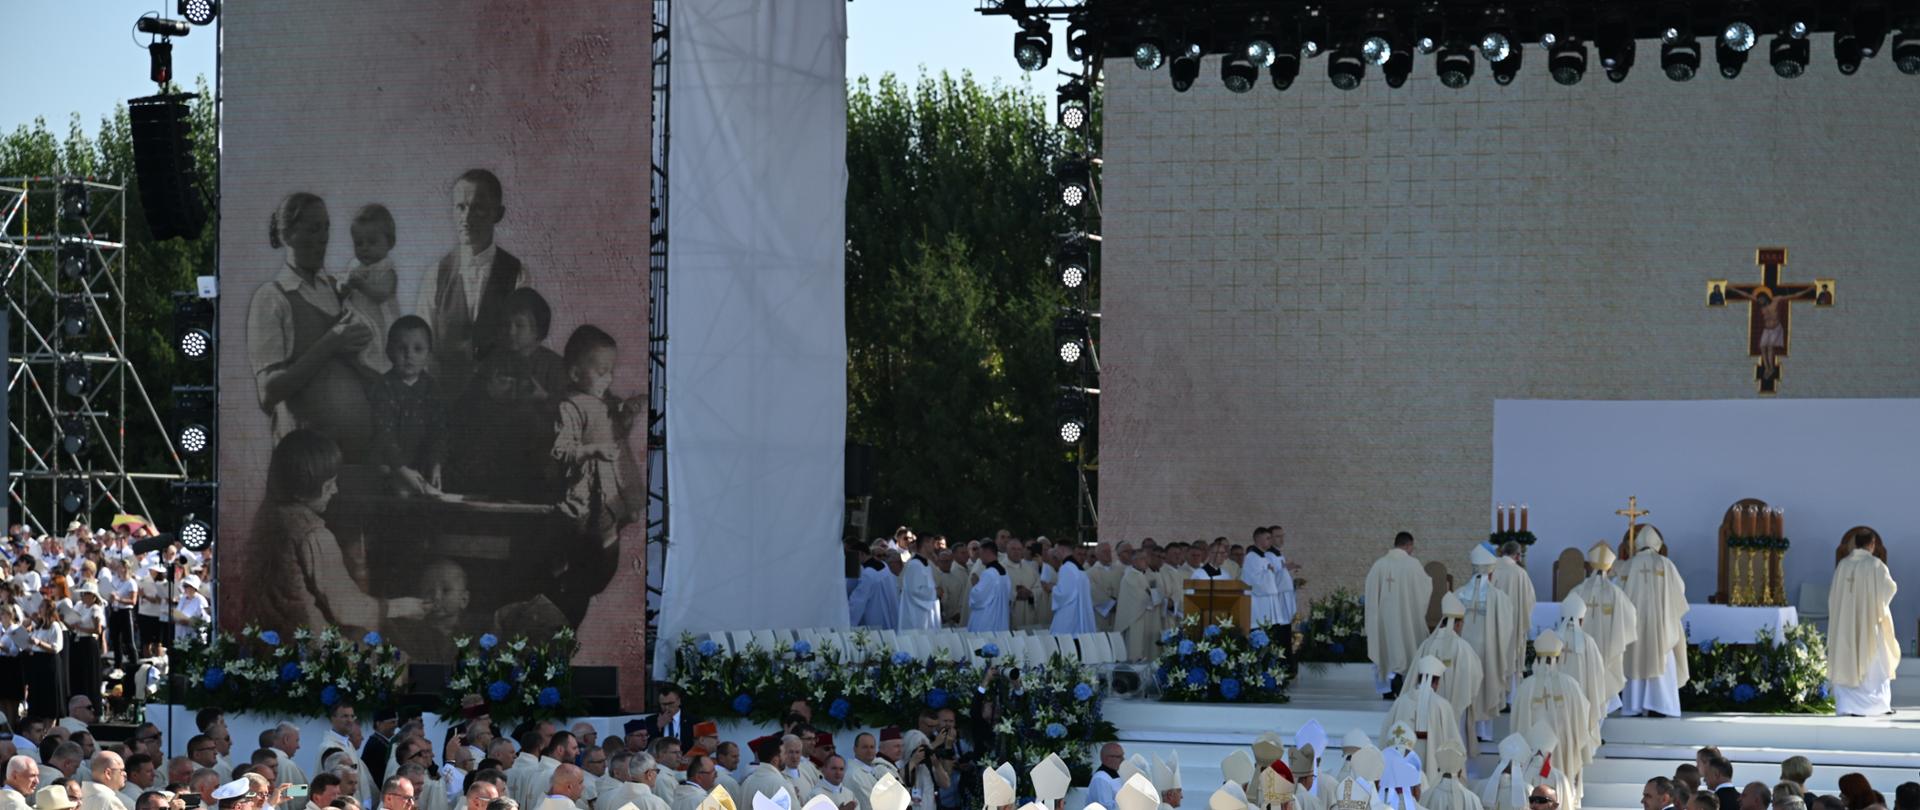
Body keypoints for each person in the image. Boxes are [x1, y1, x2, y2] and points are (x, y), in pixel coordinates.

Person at [240, 429, 428, 633]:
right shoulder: (313, 534)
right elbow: (345, 607)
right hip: (305, 641)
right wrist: (400, 607)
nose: (335, 490)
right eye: (329, 485)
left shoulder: (267, 515)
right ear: (303, 492)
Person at [248, 191, 377, 460]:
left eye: (326, 228)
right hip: (308, 463)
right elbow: (268, 392)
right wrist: (331, 342)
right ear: (287, 235)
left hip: (358, 459)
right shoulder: (272, 297)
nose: (323, 237)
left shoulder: (337, 289)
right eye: (313, 229)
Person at [415, 169, 534, 390]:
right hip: (445, 396)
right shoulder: (435, 275)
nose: (467, 218)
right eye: (460, 207)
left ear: (498, 214)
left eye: (478, 208)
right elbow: (422, 345)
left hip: (498, 398)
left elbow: (522, 345)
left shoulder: (517, 273)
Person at [367, 316, 448, 498]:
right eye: (402, 349)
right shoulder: (383, 387)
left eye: (418, 349)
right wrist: (401, 469)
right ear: (389, 352)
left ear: (428, 355)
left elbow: (439, 431)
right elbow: (384, 435)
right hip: (390, 463)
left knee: (439, 491)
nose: (409, 355)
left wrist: (436, 464)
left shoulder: (432, 388)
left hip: (422, 464)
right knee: (401, 492)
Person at [1619, 525, 1690, 718]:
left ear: (1638, 543)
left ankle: (1634, 706)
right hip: (1661, 626)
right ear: (1657, 543)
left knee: (1635, 659)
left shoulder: (1628, 565)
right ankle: (1660, 705)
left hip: (1635, 626)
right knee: (1662, 657)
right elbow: (1679, 590)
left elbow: (1618, 592)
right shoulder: (1666, 564)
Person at [1511, 632, 1594, 790]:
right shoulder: (1571, 685)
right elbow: (1583, 719)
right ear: (1558, 658)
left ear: (1537, 658)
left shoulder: (1525, 687)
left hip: (1532, 750)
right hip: (1563, 746)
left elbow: (1516, 725)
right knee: (1562, 781)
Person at [1828, 532, 1899, 716]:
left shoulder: (1842, 566)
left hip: (1845, 625)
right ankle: (1878, 706)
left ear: (1855, 544)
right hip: (1870, 624)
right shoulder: (1876, 565)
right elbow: (1890, 588)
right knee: (1875, 661)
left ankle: (1847, 706)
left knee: (1847, 658)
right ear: (1872, 544)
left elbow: (1833, 597)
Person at [1565, 542, 1637, 713]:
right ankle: (1599, 717)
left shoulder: (1577, 591)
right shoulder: (1616, 593)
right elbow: (1631, 616)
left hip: (1582, 648)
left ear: (1591, 565)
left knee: (1583, 677)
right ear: (1609, 567)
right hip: (1607, 646)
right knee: (1604, 674)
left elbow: (1565, 617)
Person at [1364, 532, 1432, 700]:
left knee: (1385, 649)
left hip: (1384, 620)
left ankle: (1386, 688)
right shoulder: (1413, 565)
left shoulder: (1379, 565)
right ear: (1408, 545)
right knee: (1406, 647)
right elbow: (1424, 588)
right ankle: (1401, 681)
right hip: (1406, 619)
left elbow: (1370, 592)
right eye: (1412, 547)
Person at [1380, 656, 1464, 787]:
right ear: (1436, 682)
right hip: (1433, 766)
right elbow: (1454, 744)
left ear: (1418, 678)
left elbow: (1385, 735)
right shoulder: (1442, 706)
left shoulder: (1400, 702)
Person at [340, 203, 403, 375]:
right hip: (360, 320)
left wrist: (361, 285)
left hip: (380, 322)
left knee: (379, 353)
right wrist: (345, 287)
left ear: (390, 242)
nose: (365, 248)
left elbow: (382, 294)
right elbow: (346, 291)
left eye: (372, 242)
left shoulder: (386, 269)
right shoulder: (355, 266)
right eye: (358, 243)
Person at [1114, 548, 1165, 661]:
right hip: (1136, 620)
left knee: (1150, 652)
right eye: (1142, 559)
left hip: (1150, 620)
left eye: (1147, 558)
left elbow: (1159, 594)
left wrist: (1152, 594)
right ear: (1134, 561)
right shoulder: (1129, 577)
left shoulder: (1150, 575)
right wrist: (1152, 594)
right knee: (1136, 650)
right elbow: (1142, 598)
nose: (1146, 561)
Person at [1044, 545, 1096, 634]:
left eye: (1056, 551)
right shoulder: (1079, 569)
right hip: (1079, 614)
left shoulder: (1066, 567)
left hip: (1069, 617)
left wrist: (1052, 587)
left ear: (1062, 550)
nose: (1055, 555)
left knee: (1064, 640)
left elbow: (1064, 594)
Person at [896, 534, 941, 632]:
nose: (934, 546)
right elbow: (915, 591)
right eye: (932, 543)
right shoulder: (914, 565)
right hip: (916, 615)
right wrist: (935, 592)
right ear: (925, 544)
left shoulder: (926, 564)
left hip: (926, 613)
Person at [964, 543, 1010, 633]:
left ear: (987, 552)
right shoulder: (1004, 572)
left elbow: (979, 598)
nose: (979, 557)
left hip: (987, 620)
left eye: (981, 554)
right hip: (1000, 618)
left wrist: (975, 584)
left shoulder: (989, 573)